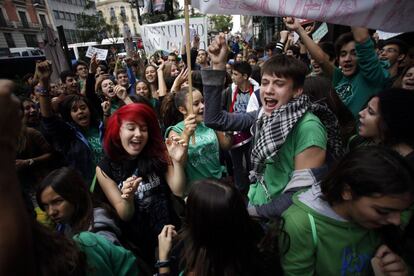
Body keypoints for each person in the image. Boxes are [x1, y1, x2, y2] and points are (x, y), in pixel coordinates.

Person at [203, 34, 340, 216]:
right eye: (265, 82)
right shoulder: (262, 115)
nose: (268, 90)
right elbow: (214, 119)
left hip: (282, 220)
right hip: (259, 203)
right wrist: (218, 66)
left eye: (279, 84)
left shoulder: (309, 129)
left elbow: (300, 195)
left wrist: (251, 214)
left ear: (297, 91)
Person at [280, 146, 413, 275]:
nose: (397, 221)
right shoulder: (301, 224)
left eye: (403, 211)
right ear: (347, 191)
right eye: (382, 211)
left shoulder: (392, 216)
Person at [95, 103, 187, 265]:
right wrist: (128, 198)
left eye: (143, 129)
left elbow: (178, 190)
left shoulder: (157, 153)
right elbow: (125, 214)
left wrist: (177, 162)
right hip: (140, 246)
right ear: (118, 130)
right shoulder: (105, 168)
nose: (138, 134)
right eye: (131, 128)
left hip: (171, 233)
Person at [157, 179, 270, 276]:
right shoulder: (257, 237)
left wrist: (163, 260)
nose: (185, 200)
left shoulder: (198, 269)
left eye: (190, 202)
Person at [284, 17, 391, 117]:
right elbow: (321, 60)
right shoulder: (340, 78)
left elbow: (362, 39)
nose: (347, 59)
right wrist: (299, 30)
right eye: (343, 54)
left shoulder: (373, 77)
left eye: (354, 53)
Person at [36, 60, 105, 183]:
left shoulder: (101, 128)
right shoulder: (69, 135)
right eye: (74, 110)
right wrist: (44, 82)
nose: (80, 112)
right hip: (88, 189)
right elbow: (48, 118)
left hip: (112, 182)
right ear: (69, 115)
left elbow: (90, 93)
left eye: (83, 108)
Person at [165, 87, 232, 193]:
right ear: (182, 109)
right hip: (197, 191)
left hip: (218, 184)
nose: (203, 106)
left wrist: (229, 129)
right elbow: (178, 164)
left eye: (203, 101)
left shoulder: (209, 123)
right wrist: (186, 134)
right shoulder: (175, 131)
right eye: (196, 104)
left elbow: (226, 145)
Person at [222, 61, 260, 193]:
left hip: (252, 134)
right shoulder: (229, 91)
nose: (232, 76)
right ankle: (240, 191)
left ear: (245, 76)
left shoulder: (258, 92)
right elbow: (223, 109)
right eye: (232, 73)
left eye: (235, 74)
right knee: (237, 165)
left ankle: (254, 190)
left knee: (253, 163)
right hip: (233, 134)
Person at [356, 88, 414, 162]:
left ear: (389, 122)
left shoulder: (405, 167)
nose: (361, 113)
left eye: (370, 112)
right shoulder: (361, 143)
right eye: (366, 108)